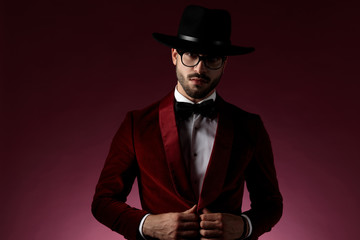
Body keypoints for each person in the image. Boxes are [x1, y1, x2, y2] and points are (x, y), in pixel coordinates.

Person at [92, 5, 283, 240]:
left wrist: (245, 226)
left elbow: (271, 203)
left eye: (211, 58)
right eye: (190, 55)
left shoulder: (249, 126)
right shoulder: (136, 124)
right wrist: (147, 224)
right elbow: (103, 201)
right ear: (174, 55)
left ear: (224, 64)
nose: (200, 68)